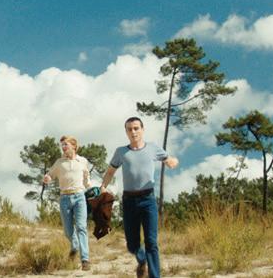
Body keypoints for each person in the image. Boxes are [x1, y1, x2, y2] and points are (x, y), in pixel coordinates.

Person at [99, 117, 179, 278]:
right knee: (132, 244)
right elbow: (110, 171)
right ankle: (142, 261)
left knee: (151, 242)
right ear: (126, 132)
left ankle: (155, 275)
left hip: (148, 200)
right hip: (129, 201)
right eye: (129, 129)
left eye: (136, 128)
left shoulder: (153, 148)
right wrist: (103, 186)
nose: (133, 132)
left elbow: (169, 159)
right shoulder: (121, 152)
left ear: (142, 129)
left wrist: (173, 161)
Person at [41, 135, 92, 271]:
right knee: (68, 231)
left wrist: (90, 187)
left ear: (74, 146)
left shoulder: (82, 161)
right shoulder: (59, 162)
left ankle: (85, 259)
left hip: (79, 197)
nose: (63, 147)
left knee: (81, 227)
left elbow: (86, 176)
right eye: (62, 145)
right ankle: (74, 245)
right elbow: (50, 174)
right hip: (64, 198)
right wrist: (47, 178)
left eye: (66, 144)